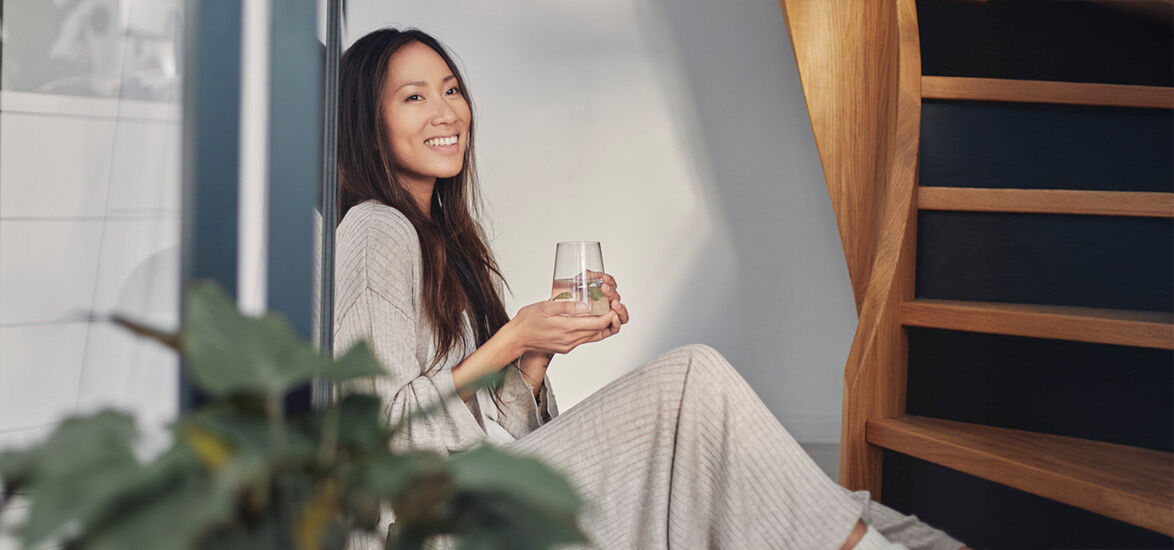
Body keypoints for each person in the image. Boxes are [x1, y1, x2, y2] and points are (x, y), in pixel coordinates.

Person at [332, 27, 966, 550]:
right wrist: (511, 338)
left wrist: (534, 355)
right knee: (691, 383)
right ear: (370, 120)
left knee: (767, 475)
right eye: (414, 98)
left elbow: (485, 422)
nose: (446, 112)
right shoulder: (375, 228)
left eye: (450, 89)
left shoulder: (443, 238)